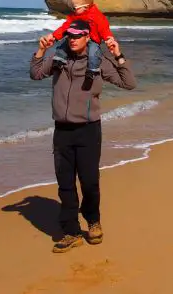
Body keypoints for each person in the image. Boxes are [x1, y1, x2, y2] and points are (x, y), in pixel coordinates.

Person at [30, 20, 137, 253]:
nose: (73, 38)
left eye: (78, 35)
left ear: (87, 37)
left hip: (88, 130)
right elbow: (35, 73)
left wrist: (118, 55)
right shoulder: (58, 59)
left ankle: (93, 221)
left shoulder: (97, 61)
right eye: (69, 35)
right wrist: (41, 50)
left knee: (89, 182)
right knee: (65, 185)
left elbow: (129, 83)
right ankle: (71, 231)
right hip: (62, 131)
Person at [42, 0, 118, 80]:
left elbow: (104, 29)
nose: (73, 10)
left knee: (94, 52)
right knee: (64, 44)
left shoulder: (97, 16)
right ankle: (59, 61)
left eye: (75, 8)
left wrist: (108, 38)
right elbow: (64, 27)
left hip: (92, 40)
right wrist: (53, 36)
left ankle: (92, 70)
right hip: (76, 37)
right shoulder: (74, 17)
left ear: (86, 7)